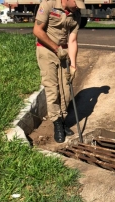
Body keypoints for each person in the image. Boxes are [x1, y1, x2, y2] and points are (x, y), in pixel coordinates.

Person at [33, 0, 85, 143]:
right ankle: (56, 123)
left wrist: (73, 66)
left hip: (64, 51)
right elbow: (37, 31)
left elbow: (73, 40)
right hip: (46, 50)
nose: (77, 7)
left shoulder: (76, 14)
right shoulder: (49, 4)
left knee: (66, 89)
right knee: (52, 89)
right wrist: (56, 49)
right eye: (76, 3)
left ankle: (62, 120)